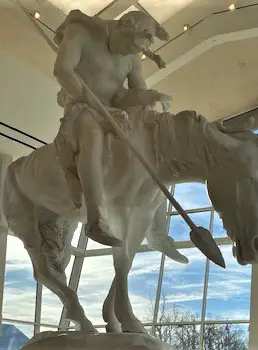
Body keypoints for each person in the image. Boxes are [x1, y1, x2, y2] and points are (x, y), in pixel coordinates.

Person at [53, 10, 187, 263]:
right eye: (128, 47)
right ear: (121, 28)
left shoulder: (131, 57)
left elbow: (130, 95)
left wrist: (150, 96)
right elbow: (62, 71)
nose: (129, 55)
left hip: (116, 115)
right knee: (91, 131)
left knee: (154, 152)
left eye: (135, 52)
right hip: (82, 109)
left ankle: (157, 232)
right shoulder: (80, 33)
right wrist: (94, 103)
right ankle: (94, 218)